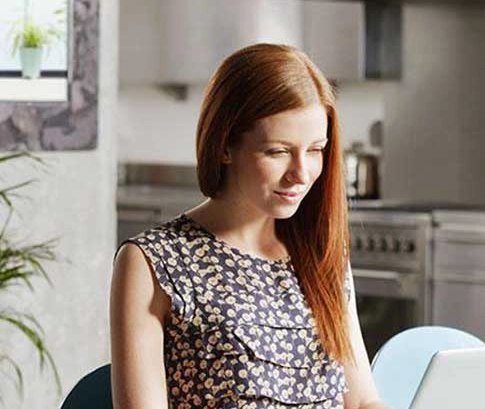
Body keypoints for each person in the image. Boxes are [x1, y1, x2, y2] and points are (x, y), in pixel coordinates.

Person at [110, 43, 389, 409]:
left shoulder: (322, 253)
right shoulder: (151, 262)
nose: (301, 174)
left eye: (315, 150)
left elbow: (362, 400)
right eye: (278, 152)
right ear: (225, 145)